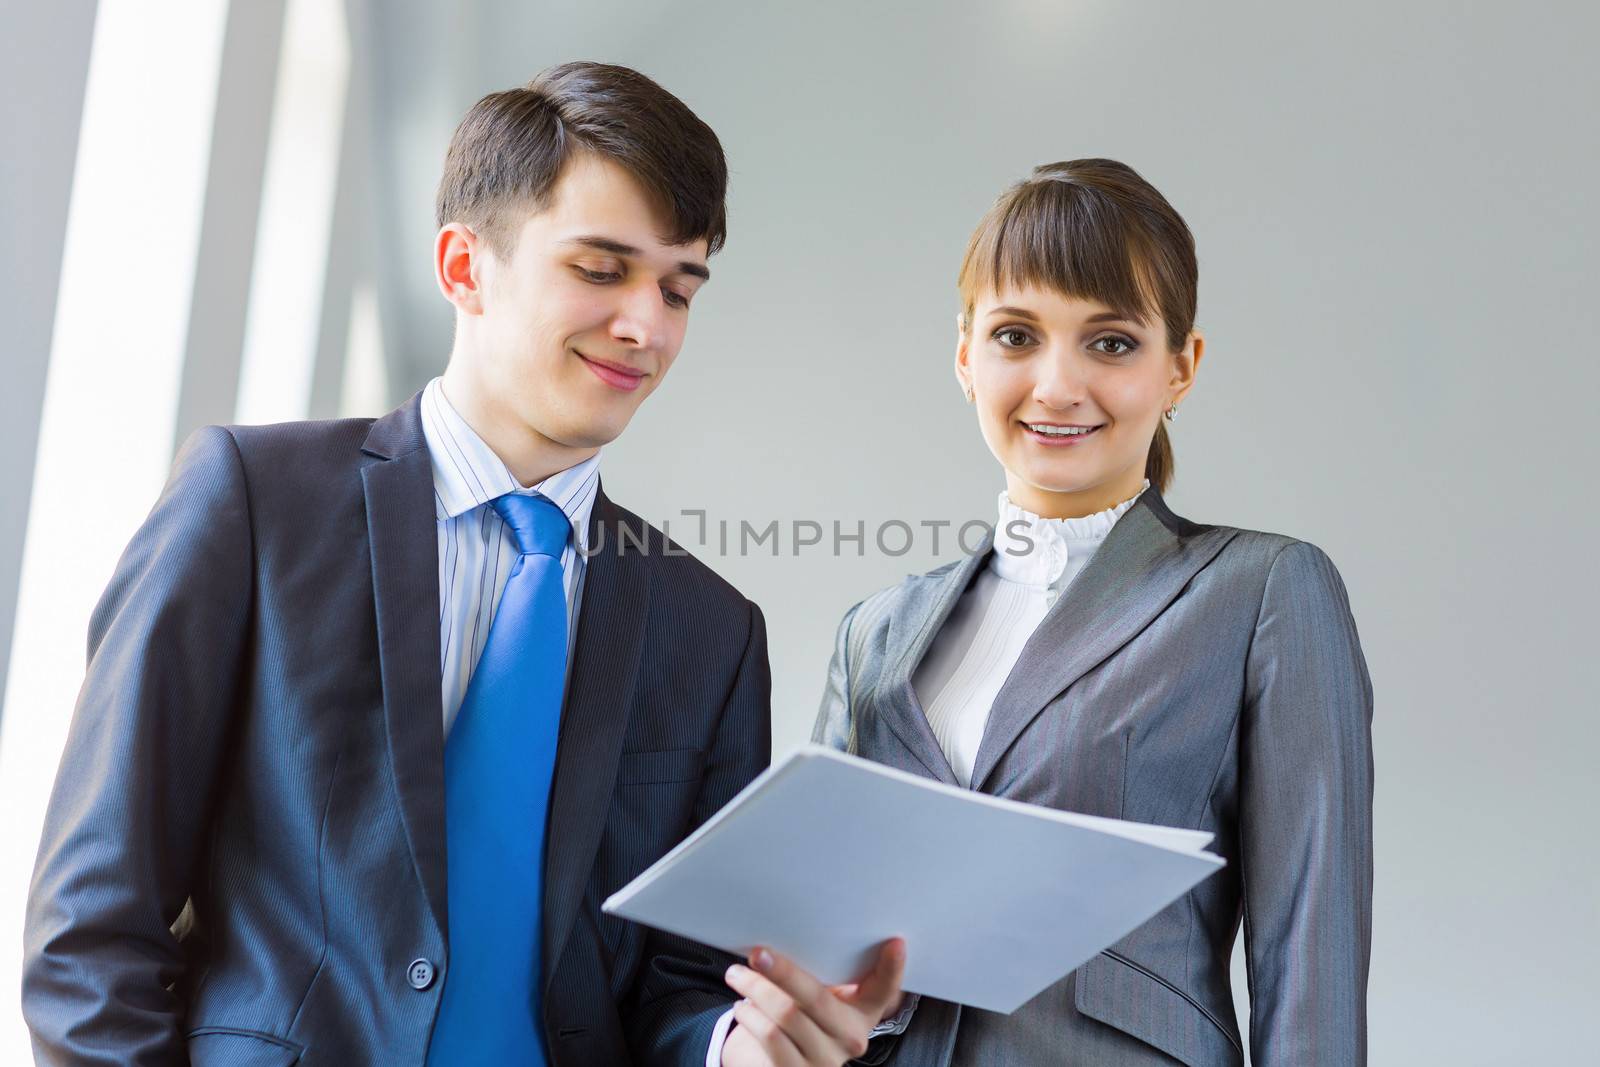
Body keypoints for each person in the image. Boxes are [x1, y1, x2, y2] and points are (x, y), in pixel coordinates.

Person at [21, 61, 901, 1067]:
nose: (646, 326)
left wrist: (735, 1047)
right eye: (601, 268)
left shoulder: (711, 630)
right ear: (462, 266)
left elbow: (677, 987)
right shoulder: (255, 503)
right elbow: (90, 933)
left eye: (678, 286)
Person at [812, 159, 1374, 1066]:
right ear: (965, 356)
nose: (1058, 385)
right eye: (1016, 336)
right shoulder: (875, 632)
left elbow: (1311, 953)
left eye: (1110, 342)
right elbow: (823, 923)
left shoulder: (1262, 592)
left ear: (1181, 368)